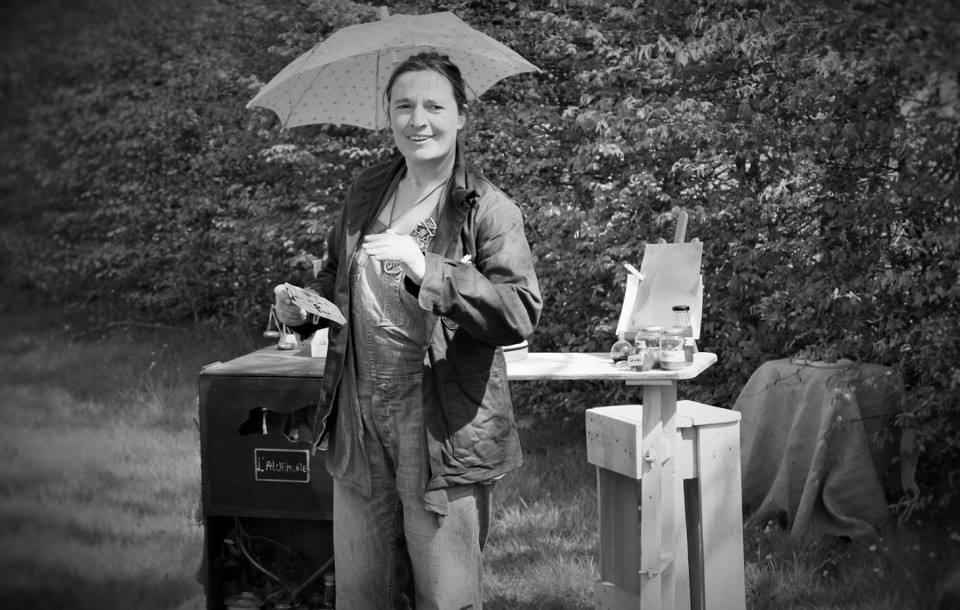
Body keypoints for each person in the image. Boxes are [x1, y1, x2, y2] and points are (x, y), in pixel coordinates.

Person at [273, 51, 542, 609]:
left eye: (434, 105)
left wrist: (429, 268)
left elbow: (519, 311)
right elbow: (334, 277)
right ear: (389, 117)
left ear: (461, 116)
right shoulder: (368, 192)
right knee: (361, 594)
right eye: (403, 106)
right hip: (358, 411)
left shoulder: (486, 208)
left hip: (437, 417)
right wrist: (303, 309)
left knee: (446, 596)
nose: (418, 119)